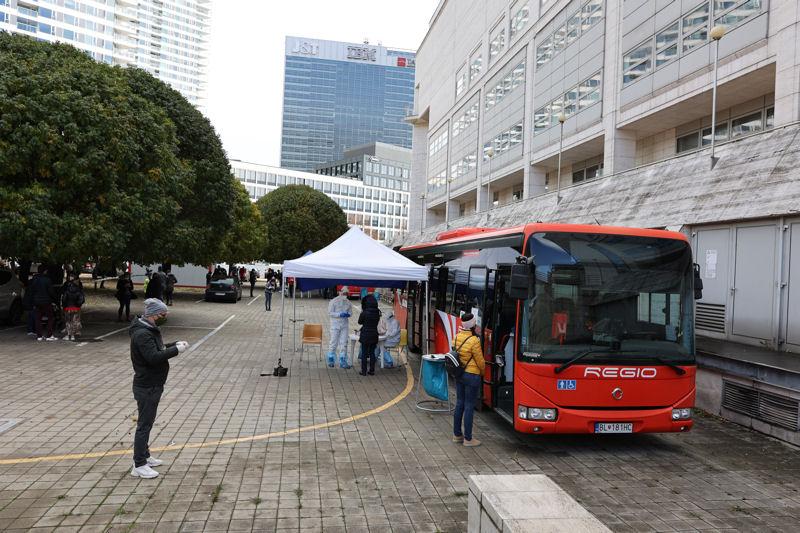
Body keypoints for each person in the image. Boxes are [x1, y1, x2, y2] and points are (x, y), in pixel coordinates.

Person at [129, 298, 189, 479]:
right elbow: (153, 357)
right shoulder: (142, 334)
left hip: (153, 384)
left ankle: (145, 456)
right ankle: (138, 464)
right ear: (154, 315)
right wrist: (176, 351)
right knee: (144, 425)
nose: (165, 317)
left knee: (147, 422)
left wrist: (174, 344)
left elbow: (159, 348)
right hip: (147, 385)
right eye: (163, 315)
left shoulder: (149, 330)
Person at [452, 312, 485, 447]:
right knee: (469, 406)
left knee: (460, 403)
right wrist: (482, 372)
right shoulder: (474, 341)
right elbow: (480, 361)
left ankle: (457, 435)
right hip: (471, 375)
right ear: (473, 325)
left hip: (459, 374)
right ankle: (468, 439)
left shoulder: (457, 337)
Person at [29, 264, 57, 341]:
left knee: (38, 318)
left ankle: (39, 336)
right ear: (45, 271)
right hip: (46, 301)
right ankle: (49, 335)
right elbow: (51, 292)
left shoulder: (34, 280)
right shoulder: (47, 280)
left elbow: (32, 291)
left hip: (37, 301)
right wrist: (54, 299)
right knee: (50, 317)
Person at [327, 286, 352, 368]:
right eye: (344, 293)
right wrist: (339, 314)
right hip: (335, 325)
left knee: (344, 343)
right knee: (333, 342)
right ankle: (331, 359)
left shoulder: (348, 302)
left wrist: (348, 314)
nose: (345, 295)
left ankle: (343, 360)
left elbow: (351, 313)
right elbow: (330, 313)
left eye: (346, 293)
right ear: (340, 292)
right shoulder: (333, 301)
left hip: (344, 325)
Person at [358, 294, 381, 376]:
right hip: (374, 334)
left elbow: (359, 322)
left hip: (365, 335)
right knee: (372, 353)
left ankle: (363, 371)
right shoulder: (377, 312)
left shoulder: (364, 312)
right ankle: (372, 370)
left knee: (364, 353)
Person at [61, 272, 85, 341]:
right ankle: (74, 334)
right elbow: (82, 299)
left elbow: (64, 299)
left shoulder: (67, 290)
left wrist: (64, 305)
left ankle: (69, 334)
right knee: (75, 321)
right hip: (76, 307)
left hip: (68, 307)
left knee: (68, 321)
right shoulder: (78, 289)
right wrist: (78, 304)